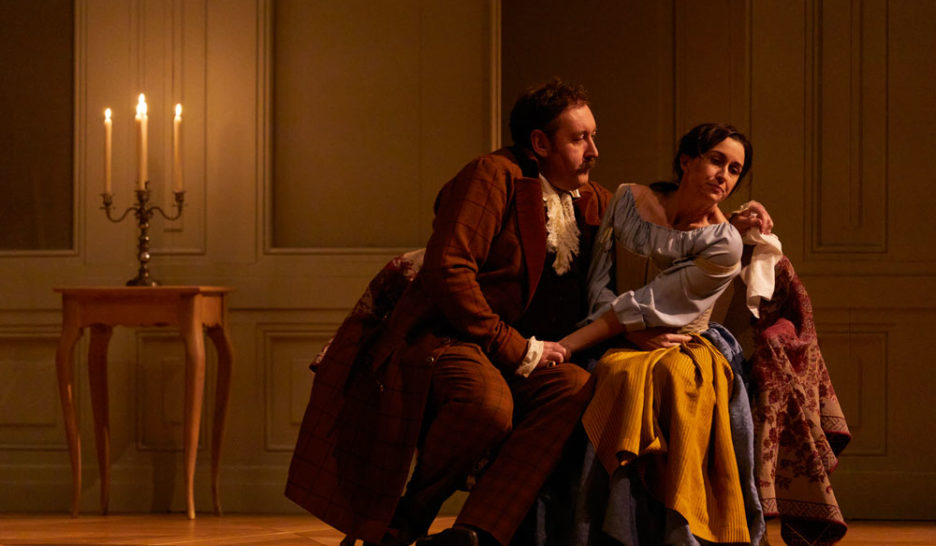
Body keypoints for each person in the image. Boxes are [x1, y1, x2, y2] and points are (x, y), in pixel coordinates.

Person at [286, 79, 612, 546]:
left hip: (523, 350)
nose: (593, 151)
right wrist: (512, 346)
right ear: (540, 143)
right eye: (579, 138)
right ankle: (406, 521)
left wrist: (721, 224)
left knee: (573, 386)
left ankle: (476, 532)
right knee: (487, 406)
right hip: (449, 336)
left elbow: (650, 228)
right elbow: (449, 269)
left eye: (593, 136)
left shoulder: (591, 199)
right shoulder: (493, 175)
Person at [552, 123, 770, 544]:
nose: (724, 175)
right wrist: (628, 336)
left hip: (683, 341)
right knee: (617, 374)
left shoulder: (724, 242)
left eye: (734, 170)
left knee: (668, 380)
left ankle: (669, 530)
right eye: (716, 160)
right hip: (611, 333)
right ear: (686, 161)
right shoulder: (629, 200)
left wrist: (566, 346)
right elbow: (600, 279)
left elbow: (652, 302)